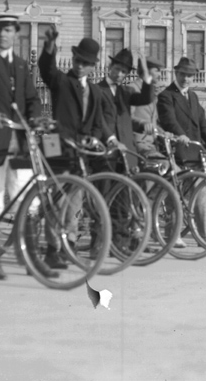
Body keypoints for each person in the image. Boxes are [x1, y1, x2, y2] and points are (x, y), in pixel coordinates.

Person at [0, 12, 57, 280]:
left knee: (29, 200)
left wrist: (37, 116)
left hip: (20, 144)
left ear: (16, 33)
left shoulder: (20, 65)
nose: (3, 34)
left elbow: (31, 98)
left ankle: (30, 261)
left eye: (8, 30)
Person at [37, 28, 119, 269]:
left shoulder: (95, 91)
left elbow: (96, 123)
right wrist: (50, 47)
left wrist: (93, 138)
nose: (79, 66)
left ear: (92, 66)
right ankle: (52, 249)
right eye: (77, 61)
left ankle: (69, 245)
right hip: (56, 147)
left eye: (85, 63)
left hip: (79, 152)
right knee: (56, 199)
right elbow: (46, 70)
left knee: (74, 201)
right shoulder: (62, 81)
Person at [157, 57, 206, 246]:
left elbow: (202, 121)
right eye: (183, 74)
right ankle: (173, 235)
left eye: (189, 75)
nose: (186, 78)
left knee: (201, 194)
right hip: (176, 151)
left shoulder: (193, 96)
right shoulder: (166, 96)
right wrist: (180, 135)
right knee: (175, 196)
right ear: (176, 74)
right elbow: (169, 120)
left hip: (194, 153)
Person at [97, 48, 153, 170]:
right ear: (110, 66)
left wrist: (145, 73)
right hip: (107, 152)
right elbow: (98, 119)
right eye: (117, 69)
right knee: (106, 188)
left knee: (129, 187)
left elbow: (145, 99)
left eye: (124, 72)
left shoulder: (126, 92)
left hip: (127, 152)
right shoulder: (97, 90)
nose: (119, 74)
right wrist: (111, 140)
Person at [129, 57, 166, 160]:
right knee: (168, 168)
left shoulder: (150, 92)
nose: (159, 74)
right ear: (146, 70)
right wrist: (143, 124)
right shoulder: (133, 88)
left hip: (152, 144)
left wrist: (163, 132)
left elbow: (152, 121)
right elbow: (128, 117)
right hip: (138, 144)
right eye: (157, 71)